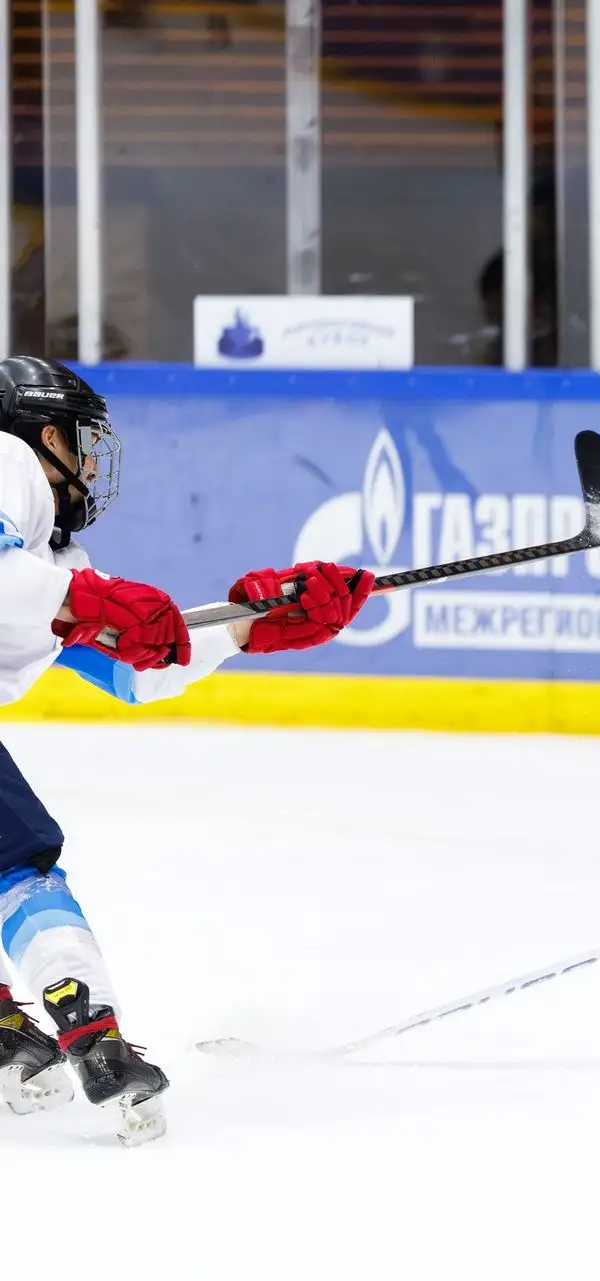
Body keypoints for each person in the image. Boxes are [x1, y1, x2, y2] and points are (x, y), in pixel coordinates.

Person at [0, 356, 372, 1145]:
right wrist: (87, 600)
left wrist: (249, 624)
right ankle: (95, 1039)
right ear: (44, 435)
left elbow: (133, 668)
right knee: (17, 865)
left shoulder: (49, 560)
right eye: (79, 439)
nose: (89, 462)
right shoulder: (7, 462)